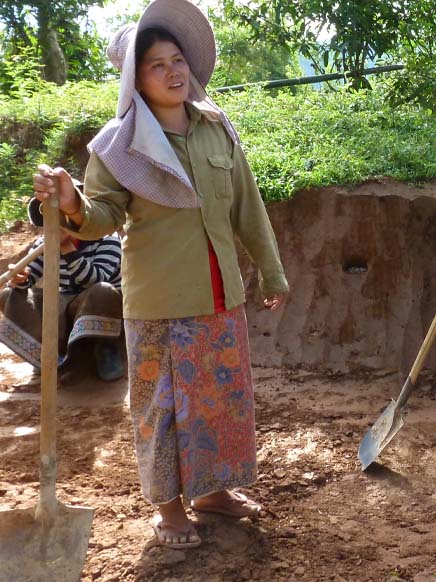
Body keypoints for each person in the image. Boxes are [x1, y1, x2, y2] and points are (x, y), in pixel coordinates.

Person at [32, 0, 288, 550]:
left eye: (178, 60)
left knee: (220, 402)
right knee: (163, 409)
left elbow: (247, 206)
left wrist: (271, 273)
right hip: (158, 302)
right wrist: (72, 199)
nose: (174, 71)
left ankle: (212, 493)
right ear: (136, 80)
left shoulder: (217, 128)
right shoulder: (116, 147)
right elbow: (101, 217)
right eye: (156, 65)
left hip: (220, 295)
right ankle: (170, 509)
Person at [0, 197, 125, 382]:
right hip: (64, 305)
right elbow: (30, 275)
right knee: (9, 295)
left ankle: (105, 346)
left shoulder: (108, 239)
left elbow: (95, 279)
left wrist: (67, 247)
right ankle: (46, 353)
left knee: (103, 291)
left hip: (99, 306)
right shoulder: (45, 241)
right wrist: (21, 278)